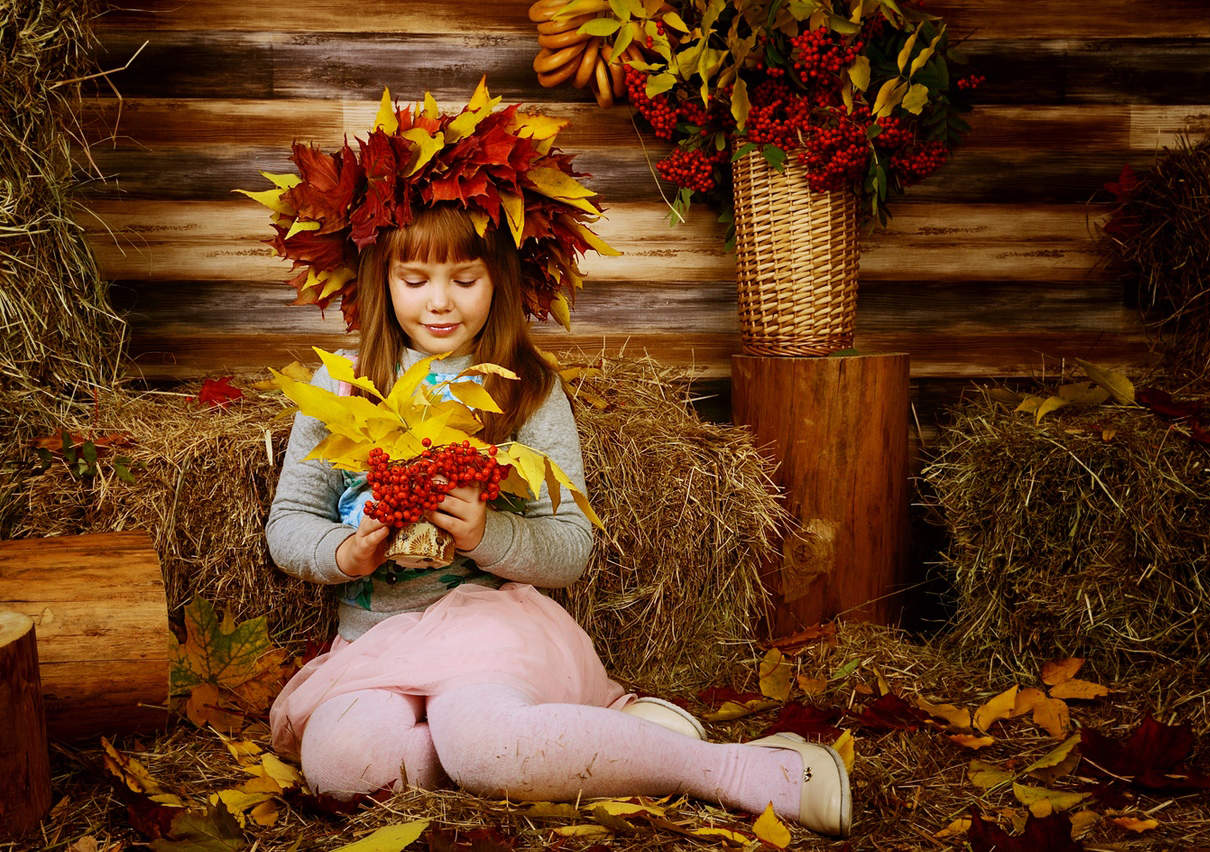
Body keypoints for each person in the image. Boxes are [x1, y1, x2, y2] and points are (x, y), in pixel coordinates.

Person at [251, 83, 852, 837]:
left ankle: (742, 769)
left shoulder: (526, 390)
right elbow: (289, 522)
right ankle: (595, 741)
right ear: (380, 279)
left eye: (465, 279)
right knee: (344, 770)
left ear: (499, 280)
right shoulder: (338, 385)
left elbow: (570, 548)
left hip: (489, 630)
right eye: (415, 279)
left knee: (486, 743)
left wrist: (485, 534)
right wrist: (349, 550)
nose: (440, 303)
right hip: (374, 643)